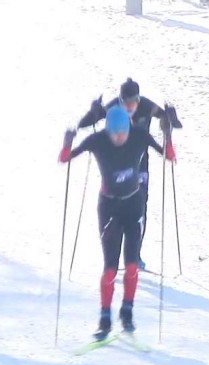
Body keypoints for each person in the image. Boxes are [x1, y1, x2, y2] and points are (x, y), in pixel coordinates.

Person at [59, 105, 169, 341]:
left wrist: (167, 134)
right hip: (109, 208)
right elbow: (64, 159)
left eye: (123, 133)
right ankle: (105, 317)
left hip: (133, 204)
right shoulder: (98, 140)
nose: (119, 138)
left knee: (131, 266)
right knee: (110, 268)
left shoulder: (139, 135)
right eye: (114, 134)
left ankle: (127, 311)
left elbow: (169, 156)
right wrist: (68, 142)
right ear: (107, 131)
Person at [75, 77, 182, 270]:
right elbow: (85, 123)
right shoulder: (114, 107)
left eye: (134, 102)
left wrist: (169, 118)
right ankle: (114, 254)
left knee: (141, 205)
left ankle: (135, 254)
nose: (130, 106)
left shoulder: (147, 106)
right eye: (126, 102)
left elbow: (167, 118)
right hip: (116, 164)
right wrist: (93, 112)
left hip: (140, 163)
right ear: (120, 100)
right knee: (119, 205)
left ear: (139, 100)